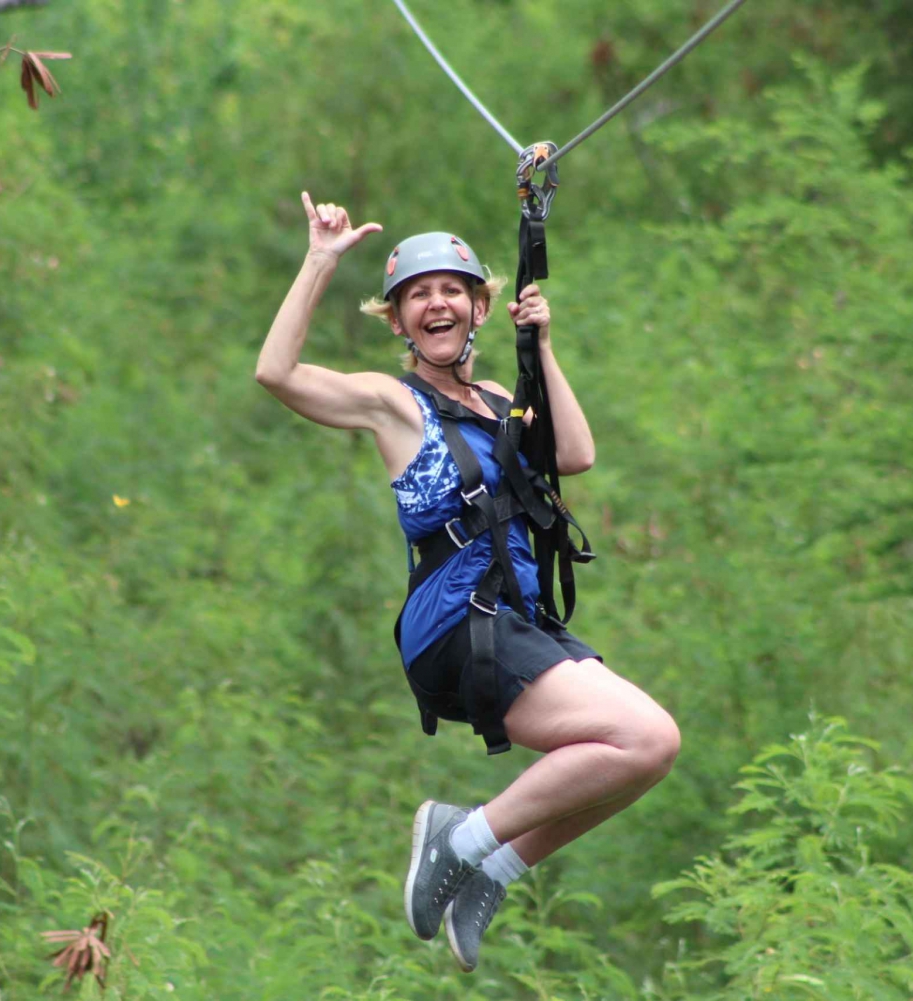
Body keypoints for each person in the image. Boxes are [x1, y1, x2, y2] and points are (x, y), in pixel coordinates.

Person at [255, 192, 681, 972]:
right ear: (399, 321)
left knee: (646, 754)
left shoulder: (502, 403)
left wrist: (541, 345)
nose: (436, 303)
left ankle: (492, 866)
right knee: (642, 734)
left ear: (479, 308)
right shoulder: (394, 403)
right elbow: (276, 373)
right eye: (418, 295)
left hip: (516, 620)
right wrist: (320, 259)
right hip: (456, 622)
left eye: (452, 289)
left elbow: (576, 453)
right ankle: (462, 838)